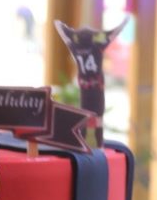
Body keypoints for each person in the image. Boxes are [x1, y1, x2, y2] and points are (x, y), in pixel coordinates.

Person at [54, 18, 127, 147]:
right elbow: (112, 34)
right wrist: (123, 23)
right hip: (97, 89)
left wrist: (70, 31)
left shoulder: (75, 47)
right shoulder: (97, 46)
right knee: (98, 118)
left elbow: (60, 29)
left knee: (86, 117)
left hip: (85, 90)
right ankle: (98, 145)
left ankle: (84, 145)